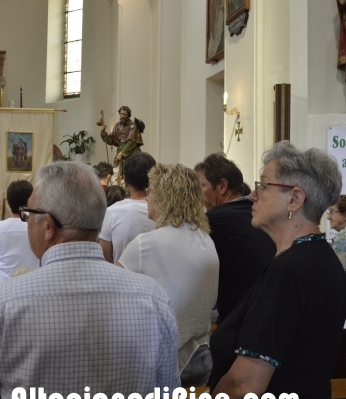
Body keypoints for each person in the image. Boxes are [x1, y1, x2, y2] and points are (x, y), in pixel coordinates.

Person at [0, 162, 179, 399]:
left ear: (48, 226)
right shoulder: (152, 296)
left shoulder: (1, 303)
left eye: (29, 214)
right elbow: (164, 393)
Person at [188, 141, 346, 399]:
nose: (253, 195)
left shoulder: (289, 271)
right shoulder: (322, 259)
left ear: (294, 199)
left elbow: (245, 384)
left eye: (263, 185)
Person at [118, 163, 219, 387]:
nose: (147, 198)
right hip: (202, 355)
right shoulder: (205, 239)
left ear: (165, 197)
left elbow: (112, 294)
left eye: (152, 191)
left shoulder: (146, 244)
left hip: (167, 362)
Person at [194, 153, 274, 323]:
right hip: (270, 309)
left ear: (222, 186)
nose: (197, 195)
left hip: (237, 318)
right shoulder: (260, 214)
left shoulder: (214, 220)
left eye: (201, 186)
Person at [99, 152, 156, 263]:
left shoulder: (112, 212)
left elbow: (104, 257)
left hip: (121, 277)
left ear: (125, 180)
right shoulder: (164, 211)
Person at [0, 180, 39, 286]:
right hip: (32, 285)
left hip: (2, 285)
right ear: (31, 200)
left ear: (8, 201)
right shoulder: (37, 226)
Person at [99, 106, 145, 183]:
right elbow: (111, 140)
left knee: (131, 173)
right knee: (117, 174)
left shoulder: (133, 125)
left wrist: (122, 153)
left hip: (131, 153)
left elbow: (132, 142)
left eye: (124, 114)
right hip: (120, 151)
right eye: (121, 114)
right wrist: (103, 132)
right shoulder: (117, 126)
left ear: (128, 115)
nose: (122, 116)